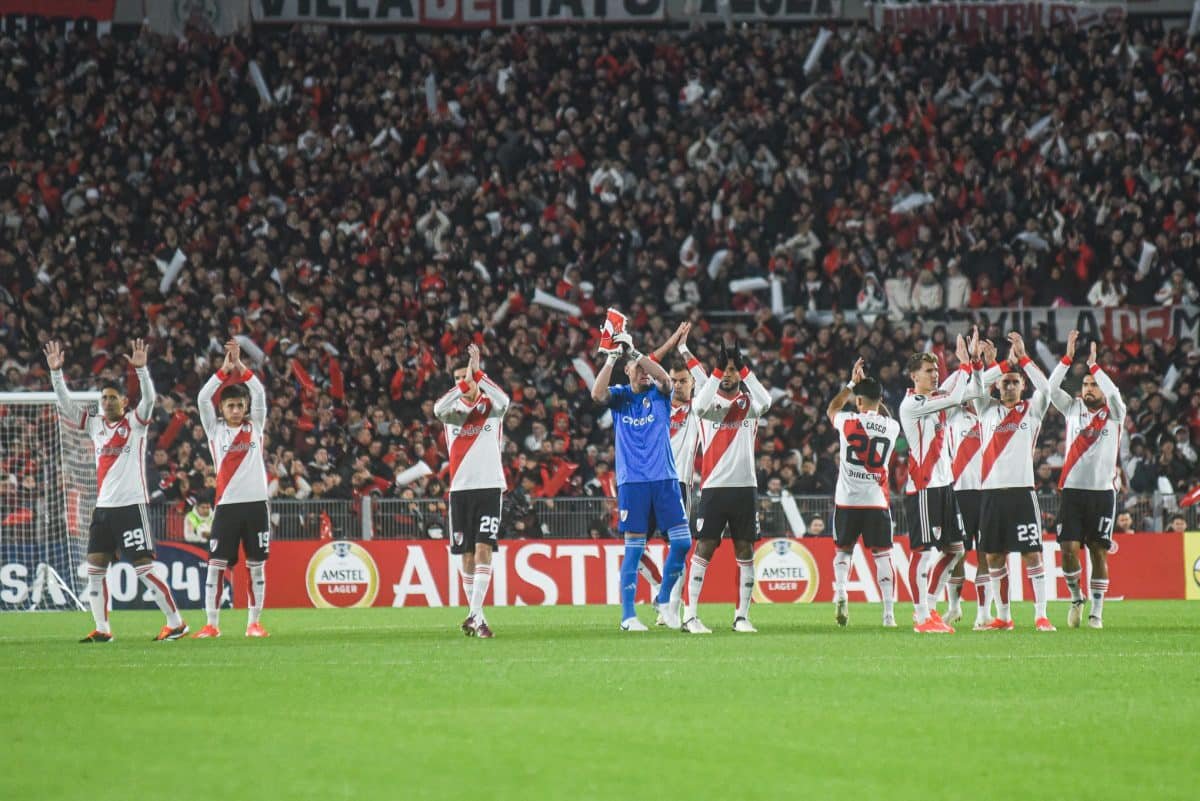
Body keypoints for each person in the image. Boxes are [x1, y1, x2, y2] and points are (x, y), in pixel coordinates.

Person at [45, 338, 187, 643]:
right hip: (104, 509)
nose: (107, 402)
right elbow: (67, 406)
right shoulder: (95, 425)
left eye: (113, 398)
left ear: (124, 401)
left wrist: (142, 370)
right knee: (95, 569)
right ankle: (102, 629)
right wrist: (56, 374)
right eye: (104, 398)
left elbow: (149, 399)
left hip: (132, 506)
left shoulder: (135, 424)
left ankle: (176, 623)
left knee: (144, 570)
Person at [590, 310, 692, 631]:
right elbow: (596, 394)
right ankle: (628, 616)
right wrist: (611, 359)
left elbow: (663, 377)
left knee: (683, 542)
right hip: (633, 482)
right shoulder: (620, 397)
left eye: (644, 368)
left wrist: (635, 353)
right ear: (627, 373)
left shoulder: (660, 395)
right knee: (633, 548)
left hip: (664, 479)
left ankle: (663, 596)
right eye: (637, 370)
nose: (644, 374)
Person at [972, 332, 1068, 632]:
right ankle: (1004, 616)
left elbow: (1048, 389)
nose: (1010, 385)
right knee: (994, 556)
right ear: (998, 386)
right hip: (989, 494)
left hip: (1022, 493)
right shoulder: (985, 409)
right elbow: (973, 387)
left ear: (1022, 385)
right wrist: (998, 365)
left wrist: (1023, 358)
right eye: (1005, 382)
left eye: (1015, 381)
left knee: (1031, 553)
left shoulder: (1032, 409)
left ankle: (1041, 615)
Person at [682, 337, 773, 634]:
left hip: (745, 488)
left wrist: (745, 369)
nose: (731, 374)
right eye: (727, 370)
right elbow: (698, 405)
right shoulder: (709, 404)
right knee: (704, 547)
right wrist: (717, 369)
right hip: (714, 487)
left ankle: (742, 617)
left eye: (735, 370)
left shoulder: (750, 405)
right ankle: (690, 615)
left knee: (746, 549)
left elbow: (768, 402)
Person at [1046, 332, 1125, 628]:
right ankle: (1076, 598)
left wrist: (1096, 367)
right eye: (1087, 384)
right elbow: (1051, 388)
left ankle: (1097, 613)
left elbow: (1115, 394)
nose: (1090, 388)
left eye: (1095, 385)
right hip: (1072, 492)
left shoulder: (1115, 413)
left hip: (1102, 493)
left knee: (1098, 551)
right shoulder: (1073, 409)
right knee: (1067, 550)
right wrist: (1067, 358)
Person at [899, 332, 977, 633]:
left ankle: (930, 606)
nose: (934, 375)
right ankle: (921, 616)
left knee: (956, 550)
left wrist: (969, 363)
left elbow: (961, 387)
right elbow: (958, 395)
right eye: (928, 371)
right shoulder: (913, 404)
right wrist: (965, 365)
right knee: (923, 551)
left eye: (936, 371)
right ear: (913, 376)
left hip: (945, 486)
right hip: (923, 487)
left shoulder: (933, 398)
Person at [193, 340, 271, 639]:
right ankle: (212, 624)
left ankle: (254, 623)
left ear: (246, 407)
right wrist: (223, 372)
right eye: (230, 405)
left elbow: (260, 392)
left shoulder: (256, 426)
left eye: (240, 405)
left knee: (256, 567)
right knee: (215, 567)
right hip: (226, 506)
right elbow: (202, 399)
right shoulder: (215, 430)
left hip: (256, 506)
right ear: (222, 408)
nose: (236, 409)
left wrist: (243, 370)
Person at [434, 343, 510, 639]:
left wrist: (478, 372)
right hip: (460, 491)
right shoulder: (451, 414)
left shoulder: (492, 410)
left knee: (483, 549)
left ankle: (474, 615)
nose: (461, 384)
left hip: (490, 487)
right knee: (466, 556)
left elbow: (504, 399)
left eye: (465, 379)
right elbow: (437, 408)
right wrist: (465, 381)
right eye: (456, 380)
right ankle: (478, 617)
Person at [825, 359, 903, 628]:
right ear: (879, 400)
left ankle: (841, 593)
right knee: (883, 556)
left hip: (846, 501)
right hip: (876, 503)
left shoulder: (847, 420)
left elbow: (832, 408)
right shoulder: (892, 428)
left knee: (843, 552)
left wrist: (851, 384)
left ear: (858, 402)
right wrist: (873, 395)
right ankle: (888, 615)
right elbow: (887, 417)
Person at [640, 321, 707, 625]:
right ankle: (658, 588)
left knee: (677, 548)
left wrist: (684, 349)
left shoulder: (698, 411)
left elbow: (707, 381)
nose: (679, 385)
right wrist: (670, 342)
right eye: (675, 380)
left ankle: (670, 609)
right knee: (634, 546)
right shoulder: (658, 402)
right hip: (645, 482)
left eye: (683, 380)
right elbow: (646, 365)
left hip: (677, 486)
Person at [946, 339, 1003, 630]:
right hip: (957, 491)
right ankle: (954, 606)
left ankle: (983, 611)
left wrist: (991, 363)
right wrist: (964, 362)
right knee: (955, 551)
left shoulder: (994, 412)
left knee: (985, 552)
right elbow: (948, 389)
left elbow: (1001, 383)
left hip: (988, 490)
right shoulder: (952, 410)